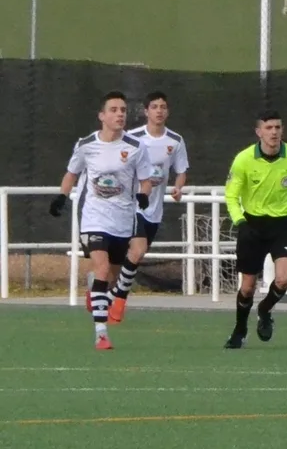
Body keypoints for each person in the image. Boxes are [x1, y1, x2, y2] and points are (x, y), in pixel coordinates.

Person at [49, 90, 153, 350]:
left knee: (111, 278)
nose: (120, 115)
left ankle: (96, 290)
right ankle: (101, 334)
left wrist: (143, 195)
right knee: (103, 269)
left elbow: (146, 180)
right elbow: (71, 173)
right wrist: (61, 197)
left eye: (123, 110)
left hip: (123, 219)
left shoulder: (136, 147)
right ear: (102, 116)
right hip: (94, 218)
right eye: (114, 110)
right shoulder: (86, 144)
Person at [222, 110, 287, 349]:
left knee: (284, 279)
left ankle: (265, 310)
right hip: (252, 225)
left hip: (284, 224)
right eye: (268, 128)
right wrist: (240, 222)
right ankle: (240, 329)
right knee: (247, 287)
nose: (274, 132)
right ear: (259, 132)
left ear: (282, 130)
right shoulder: (244, 159)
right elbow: (231, 195)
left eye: (277, 127)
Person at [106, 91, 190, 323]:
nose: (159, 111)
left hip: (154, 210)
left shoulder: (175, 140)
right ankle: (118, 299)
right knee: (137, 251)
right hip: (131, 206)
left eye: (163, 107)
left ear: (168, 111)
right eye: (154, 107)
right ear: (146, 111)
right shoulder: (132, 138)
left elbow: (181, 170)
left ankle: (106, 292)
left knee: (129, 258)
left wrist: (178, 187)